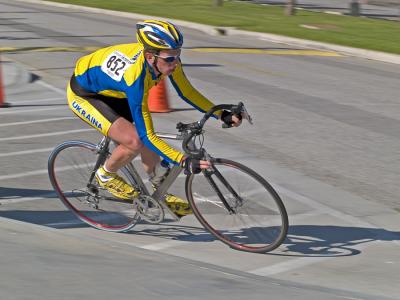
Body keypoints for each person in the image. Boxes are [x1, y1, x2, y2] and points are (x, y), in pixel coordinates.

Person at [67, 20, 242, 217]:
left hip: (115, 91)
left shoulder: (164, 59)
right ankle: (105, 175)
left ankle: (159, 187)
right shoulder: (136, 78)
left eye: (178, 56)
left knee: (146, 142)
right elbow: (147, 135)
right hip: (85, 95)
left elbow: (187, 92)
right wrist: (182, 160)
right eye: (169, 59)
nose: (175, 63)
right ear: (150, 56)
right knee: (136, 140)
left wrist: (221, 114)